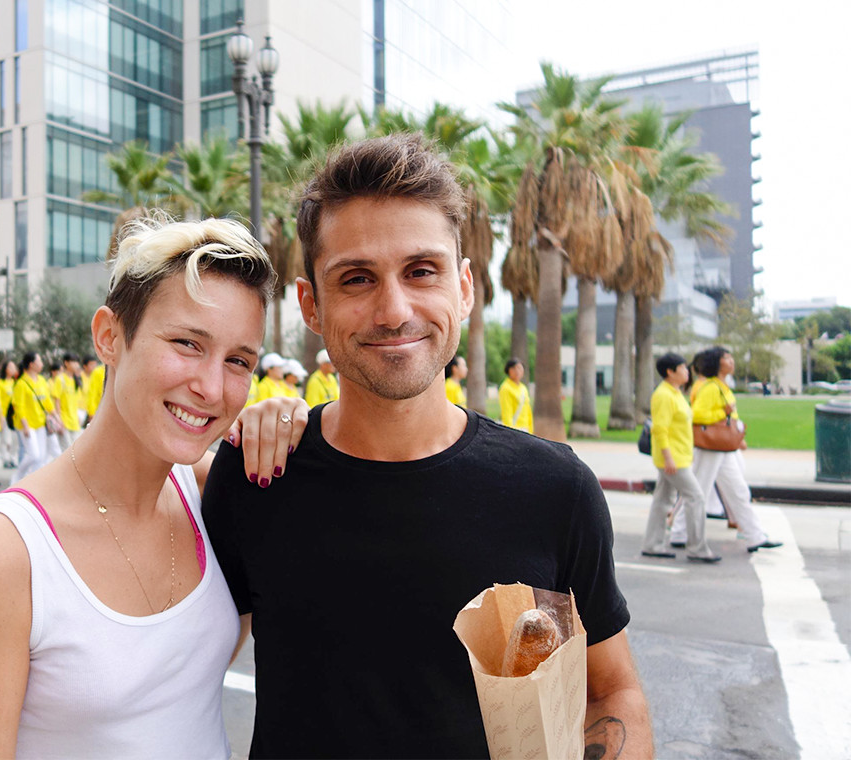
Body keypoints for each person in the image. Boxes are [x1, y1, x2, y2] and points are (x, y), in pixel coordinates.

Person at [202, 134, 649, 758]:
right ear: (311, 304)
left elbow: (610, 693)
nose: (393, 310)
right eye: (356, 278)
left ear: (464, 288)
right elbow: (174, 669)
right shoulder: (258, 473)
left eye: (421, 271)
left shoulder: (555, 489)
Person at [0, 215, 297, 758]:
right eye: (187, 343)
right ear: (109, 337)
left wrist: (294, 427)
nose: (212, 387)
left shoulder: (211, 493)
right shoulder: (6, 550)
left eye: (238, 360)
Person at [668, 347, 782, 553]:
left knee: (738, 490)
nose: (731, 361)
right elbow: (697, 415)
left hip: (722, 447)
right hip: (710, 447)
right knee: (698, 490)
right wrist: (723, 413)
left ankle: (754, 536)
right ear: (717, 363)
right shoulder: (711, 387)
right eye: (726, 358)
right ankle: (679, 532)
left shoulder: (720, 386)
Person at [640, 353, 719, 563]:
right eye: (683, 368)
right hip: (672, 459)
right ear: (670, 372)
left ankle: (652, 544)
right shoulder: (663, 395)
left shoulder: (674, 393)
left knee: (663, 500)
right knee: (696, 497)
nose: (687, 372)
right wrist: (668, 458)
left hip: (679, 457)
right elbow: (660, 429)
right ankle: (697, 548)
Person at [11, 352, 58, 480]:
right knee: (34, 455)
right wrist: (25, 426)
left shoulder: (41, 380)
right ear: (31, 364)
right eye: (39, 361)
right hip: (27, 425)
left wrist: (56, 417)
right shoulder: (21, 384)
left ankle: (34, 482)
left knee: (41, 457)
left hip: (40, 423)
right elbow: (19, 407)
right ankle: (16, 478)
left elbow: (47, 401)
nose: (42, 364)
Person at [499, 357, 533, 432]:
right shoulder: (505, 388)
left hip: (525, 429)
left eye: (519, 368)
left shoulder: (523, 388)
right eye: (513, 368)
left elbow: (528, 411)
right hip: (515, 429)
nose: (517, 371)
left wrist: (531, 430)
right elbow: (506, 413)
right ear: (508, 370)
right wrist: (510, 432)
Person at [0, 359, 19, 468]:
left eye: (14, 367)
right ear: (5, 369)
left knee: (16, 439)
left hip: (15, 415)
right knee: (5, 439)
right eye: (11, 367)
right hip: (4, 414)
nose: (13, 369)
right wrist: (0, 416)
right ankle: (5, 458)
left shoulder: (16, 383)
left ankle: (12, 457)